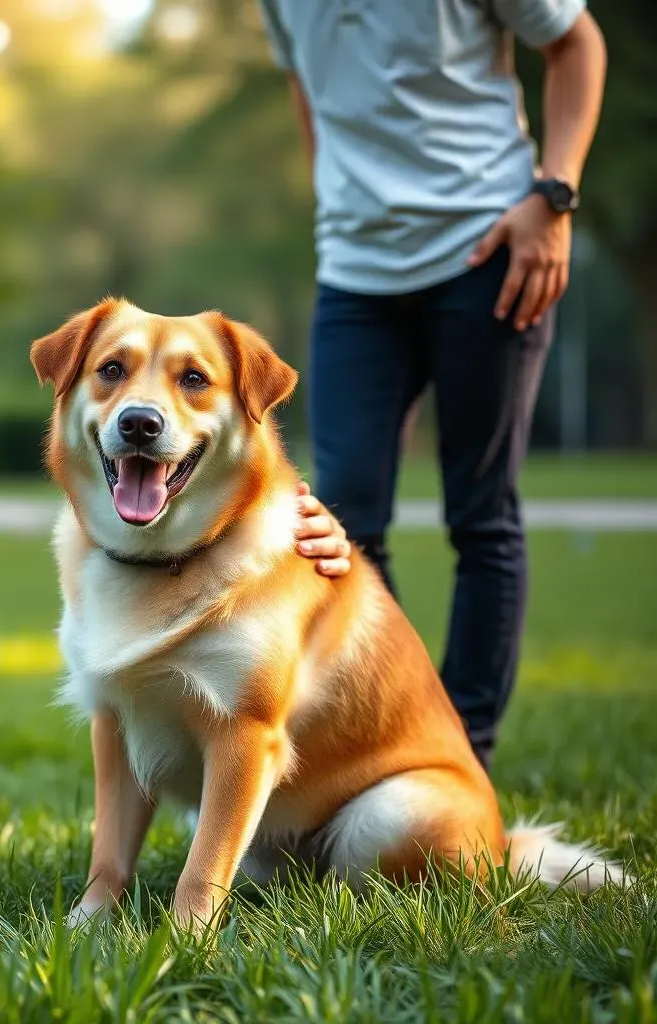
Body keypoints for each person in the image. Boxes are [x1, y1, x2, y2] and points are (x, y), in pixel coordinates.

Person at [259, 0, 607, 768]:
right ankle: (382, 743)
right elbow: (308, 86)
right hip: (354, 273)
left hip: (487, 252)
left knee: (480, 517)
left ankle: (462, 756)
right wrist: (337, 198)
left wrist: (554, 199)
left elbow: (577, 43)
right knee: (339, 527)